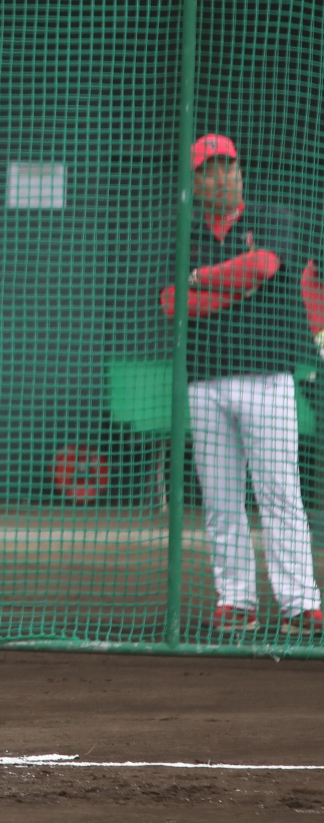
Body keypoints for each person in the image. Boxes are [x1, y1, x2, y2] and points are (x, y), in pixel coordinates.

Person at [159, 134, 323, 635]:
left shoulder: (271, 217)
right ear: (196, 180)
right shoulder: (180, 231)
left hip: (267, 379)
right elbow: (172, 304)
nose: (223, 176)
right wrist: (231, 287)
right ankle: (236, 601)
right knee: (221, 499)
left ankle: (300, 603)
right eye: (210, 169)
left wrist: (200, 279)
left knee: (280, 493)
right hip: (205, 383)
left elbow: (265, 265)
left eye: (229, 166)